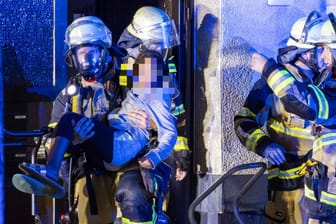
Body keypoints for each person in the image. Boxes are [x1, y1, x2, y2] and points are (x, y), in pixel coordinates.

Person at [11, 15, 178, 224]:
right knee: (86, 216)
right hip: (90, 168)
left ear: (105, 51)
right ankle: (50, 174)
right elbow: (49, 142)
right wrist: (74, 142)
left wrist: (151, 125)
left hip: (132, 164)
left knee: (133, 197)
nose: (87, 60)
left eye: (92, 53)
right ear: (72, 57)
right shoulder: (68, 98)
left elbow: (171, 117)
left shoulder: (134, 75)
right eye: (81, 54)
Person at [234, 11, 326, 224]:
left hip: (323, 188)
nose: (326, 57)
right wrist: (264, 145)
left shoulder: (326, 84)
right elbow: (243, 121)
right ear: (304, 53)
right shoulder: (271, 85)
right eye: (320, 51)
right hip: (287, 188)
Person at [115, 6, 191, 223]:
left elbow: (178, 114)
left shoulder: (162, 68)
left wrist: (180, 156)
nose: (161, 49)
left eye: (162, 44)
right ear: (140, 42)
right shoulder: (117, 65)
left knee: (145, 198)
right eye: (156, 44)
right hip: (120, 150)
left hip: (154, 152)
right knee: (132, 195)